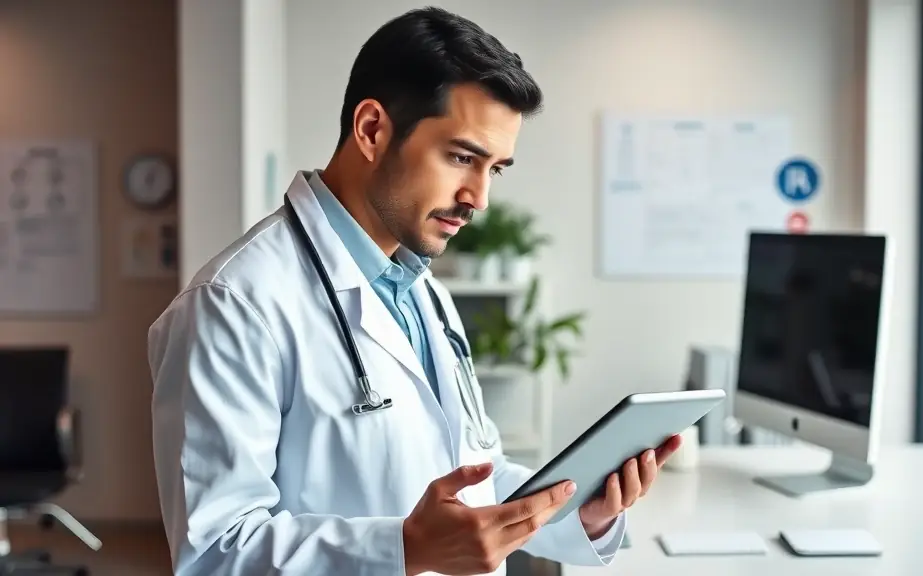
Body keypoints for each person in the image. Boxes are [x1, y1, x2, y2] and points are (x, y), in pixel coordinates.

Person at [148, 7, 682, 576]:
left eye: (495, 169)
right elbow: (214, 553)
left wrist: (581, 511)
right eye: (461, 157)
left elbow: (476, 474)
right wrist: (404, 548)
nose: (479, 198)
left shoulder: (421, 292)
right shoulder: (233, 304)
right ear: (372, 130)